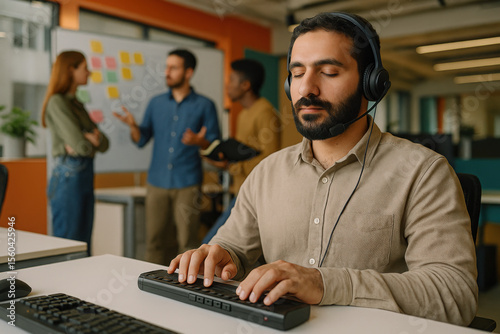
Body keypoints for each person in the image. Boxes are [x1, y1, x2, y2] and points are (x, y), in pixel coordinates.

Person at [167, 12, 478, 326]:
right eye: (297, 73)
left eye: (329, 71)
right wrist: (219, 256)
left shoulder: (423, 173)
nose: (307, 88)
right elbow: (233, 246)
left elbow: (454, 294)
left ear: (371, 82)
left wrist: (326, 283)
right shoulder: (267, 172)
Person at [113, 49, 220, 265]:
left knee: (187, 243)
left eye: (173, 68)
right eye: (166, 67)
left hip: (187, 182)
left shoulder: (205, 105)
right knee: (154, 241)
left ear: (188, 73)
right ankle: (150, 283)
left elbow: (216, 146)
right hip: (157, 181)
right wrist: (134, 127)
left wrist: (200, 142)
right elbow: (141, 139)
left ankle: (188, 288)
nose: (166, 72)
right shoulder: (156, 103)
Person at [192, 59, 281, 244]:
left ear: (246, 85)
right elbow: (241, 154)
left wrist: (231, 167)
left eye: (231, 80)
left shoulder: (265, 112)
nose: (227, 85)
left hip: (255, 196)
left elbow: (270, 160)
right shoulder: (243, 114)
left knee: (211, 243)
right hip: (240, 192)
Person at [42, 50, 109, 253]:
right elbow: (82, 146)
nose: (89, 73)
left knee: (83, 245)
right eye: (85, 68)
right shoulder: (57, 102)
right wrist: (86, 139)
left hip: (83, 175)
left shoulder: (77, 104)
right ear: (71, 70)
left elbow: (104, 143)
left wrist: (85, 140)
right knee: (68, 246)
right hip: (68, 177)